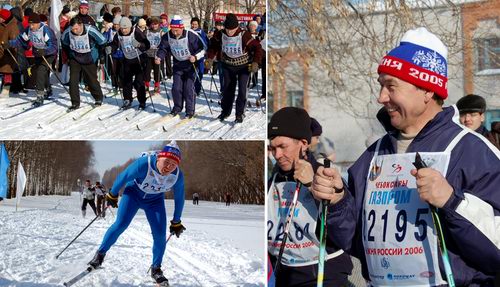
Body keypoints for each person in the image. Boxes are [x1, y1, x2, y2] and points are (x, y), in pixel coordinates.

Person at [311, 27, 500, 286]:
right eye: (381, 85)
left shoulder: (471, 151)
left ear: (427, 90)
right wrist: (337, 201)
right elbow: (353, 241)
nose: (381, 97)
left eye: (391, 86)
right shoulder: (374, 155)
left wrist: (453, 203)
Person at [267, 107, 354, 287]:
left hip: (323, 274)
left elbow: (346, 233)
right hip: (283, 273)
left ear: (304, 143)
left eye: (283, 147)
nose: (277, 155)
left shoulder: (324, 175)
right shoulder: (273, 180)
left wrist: (311, 186)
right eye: (272, 148)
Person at [88, 141, 186, 287]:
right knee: (121, 224)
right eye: (167, 162)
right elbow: (123, 176)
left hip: (155, 201)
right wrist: (113, 194)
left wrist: (176, 221)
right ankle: (100, 255)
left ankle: (156, 269)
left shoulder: (177, 175)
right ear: (159, 157)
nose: (169, 168)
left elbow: (180, 197)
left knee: (160, 234)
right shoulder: (144, 164)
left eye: (173, 165)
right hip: (133, 194)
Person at [205, 13, 263, 123]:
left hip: (243, 66)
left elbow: (257, 48)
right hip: (228, 65)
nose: (229, 32)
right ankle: (225, 111)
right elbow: (213, 46)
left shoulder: (244, 34)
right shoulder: (221, 34)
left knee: (242, 90)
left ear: (237, 27)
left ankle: (239, 114)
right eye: (227, 29)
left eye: (232, 30)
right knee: (227, 90)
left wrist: (256, 62)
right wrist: (210, 58)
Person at [154, 15, 206, 118]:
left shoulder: (191, 35)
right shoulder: (168, 36)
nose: (175, 32)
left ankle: (190, 111)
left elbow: (203, 49)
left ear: (181, 27)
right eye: (173, 29)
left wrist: (195, 57)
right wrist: (159, 57)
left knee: (188, 88)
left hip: (190, 65)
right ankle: (177, 108)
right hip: (178, 64)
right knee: (176, 88)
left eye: (177, 30)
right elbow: (163, 48)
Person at [7, 13, 58, 106]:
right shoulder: (28, 30)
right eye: (30, 24)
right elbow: (20, 40)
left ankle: (40, 96)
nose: (31, 26)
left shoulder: (45, 30)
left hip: (49, 54)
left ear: (38, 23)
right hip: (38, 53)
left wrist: (45, 51)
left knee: (40, 71)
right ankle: (48, 89)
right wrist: (9, 44)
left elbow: (54, 46)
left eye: (33, 24)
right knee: (42, 73)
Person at [61, 16, 106, 111]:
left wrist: (101, 55)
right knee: (73, 80)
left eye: (76, 28)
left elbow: (103, 41)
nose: (75, 31)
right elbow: (64, 43)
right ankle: (75, 103)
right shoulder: (68, 32)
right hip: (75, 58)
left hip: (89, 58)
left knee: (91, 80)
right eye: (73, 29)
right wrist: (69, 55)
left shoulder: (91, 30)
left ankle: (98, 98)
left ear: (81, 25)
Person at [108, 16, 150, 110]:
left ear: (130, 27)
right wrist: (110, 48)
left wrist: (139, 45)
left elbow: (147, 44)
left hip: (139, 59)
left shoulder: (136, 32)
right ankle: (127, 99)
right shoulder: (118, 34)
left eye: (126, 28)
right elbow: (114, 44)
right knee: (126, 81)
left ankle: (142, 101)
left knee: (139, 82)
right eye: (122, 28)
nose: (124, 30)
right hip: (127, 59)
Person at [0, 8, 19, 97]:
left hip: (8, 52)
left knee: (7, 71)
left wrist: (10, 46)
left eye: (0, 17)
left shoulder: (12, 26)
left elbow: (15, 41)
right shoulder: (2, 24)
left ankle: (6, 90)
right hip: (1, 51)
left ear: (4, 18)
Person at [190, 17, 208, 97]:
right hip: (191, 56)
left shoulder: (202, 32)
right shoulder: (188, 32)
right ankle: (190, 88)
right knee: (191, 74)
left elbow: (206, 43)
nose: (194, 26)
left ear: (198, 24)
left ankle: (197, 89)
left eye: (195, 24)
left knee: (200, 73)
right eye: (193, 24)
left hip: (200, 56)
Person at [144, 17, 162, 95]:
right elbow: (143, 40)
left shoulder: (161, 31)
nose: (154, 26)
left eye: (156, 24)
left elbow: (164, 42)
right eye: (153, 24)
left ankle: (156, 86)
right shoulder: (147, 31)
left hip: (157, 54)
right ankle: (146, 86)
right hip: (148, 53)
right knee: (147, 71)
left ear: (158, 24)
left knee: (157, 71)